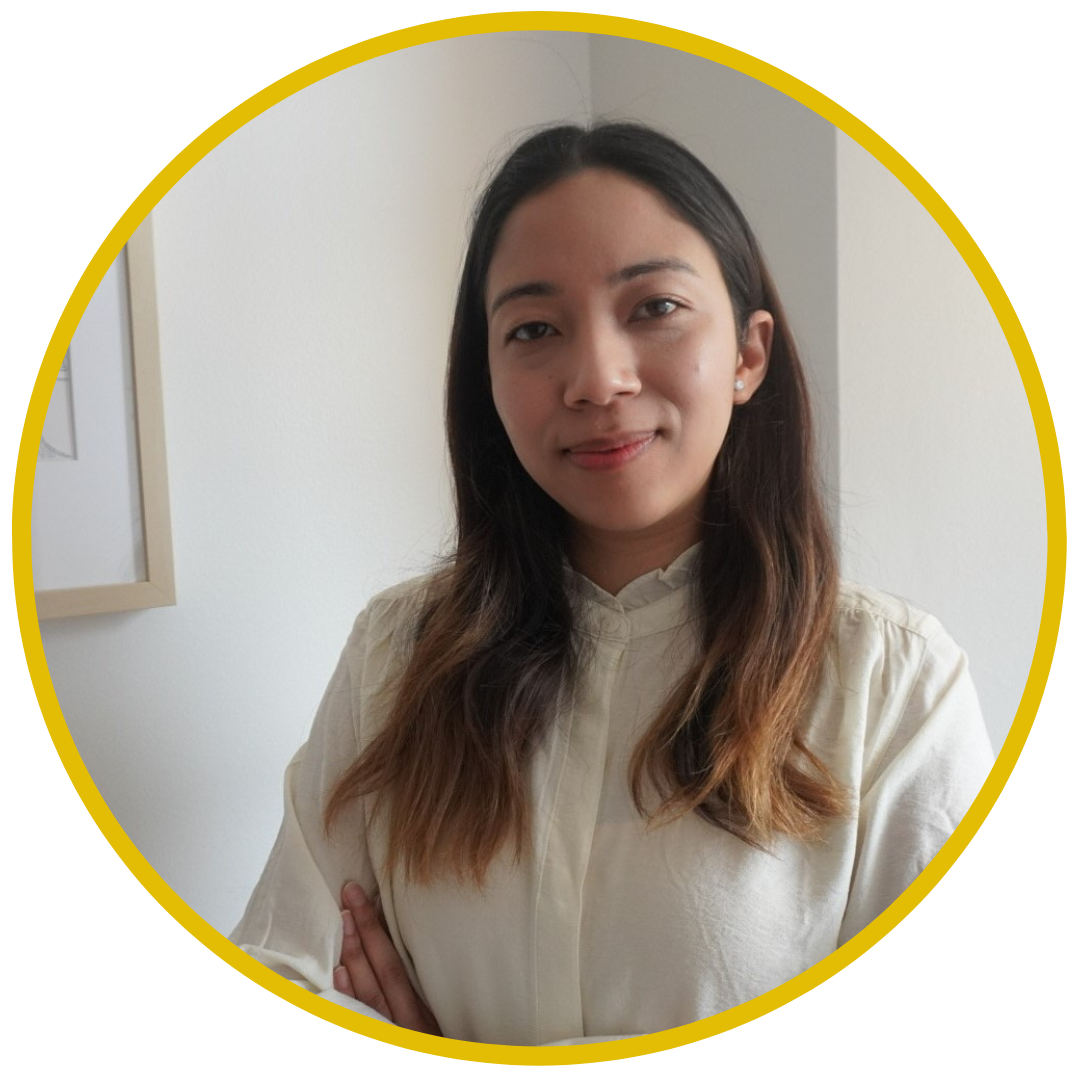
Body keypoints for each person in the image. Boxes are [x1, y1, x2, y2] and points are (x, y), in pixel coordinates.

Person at [230, 122, 993, 1045]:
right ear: (490, 374)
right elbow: (279, 980)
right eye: (535, 328)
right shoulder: (395, 655)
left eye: (655, 308)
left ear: (750, 355)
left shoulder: (894, 685)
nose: (596, 379)